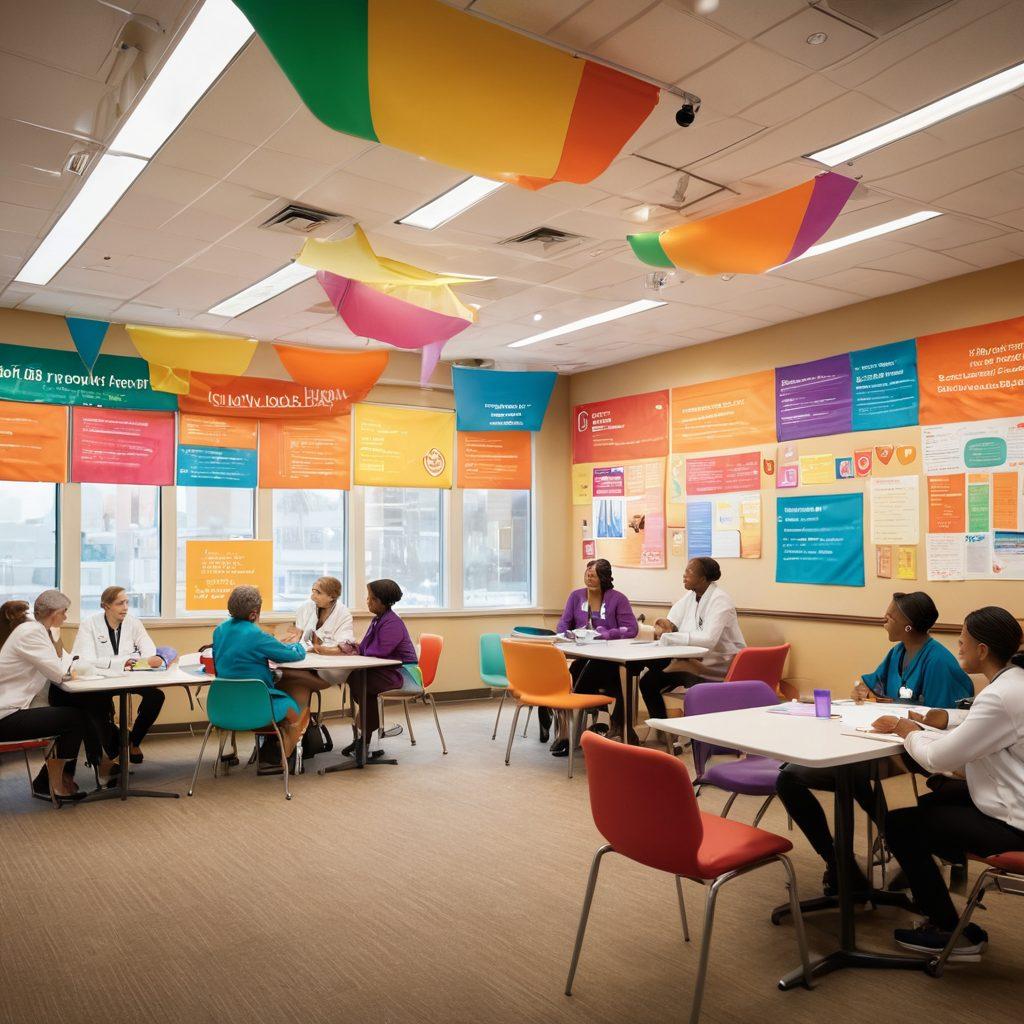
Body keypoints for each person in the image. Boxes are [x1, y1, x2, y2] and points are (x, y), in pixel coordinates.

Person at [776, 592, 974, 896]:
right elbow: (871, 683)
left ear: (908, 625)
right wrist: (861, 689)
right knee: (790, 776)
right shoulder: (898, 653)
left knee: (843, 774)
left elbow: (945, 723)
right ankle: (840, 862)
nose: (884, 619)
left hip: (921, 752)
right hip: (884, 741)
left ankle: (897, 849)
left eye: (891, 616)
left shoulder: (939, 662)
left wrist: (898, 718)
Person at [872, 606, 1024, 960]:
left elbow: (940, 759)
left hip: (1016, 824)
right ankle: (927, 878)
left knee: (901, 824)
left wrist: (907, 731)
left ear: (982, 650)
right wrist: (934, 730)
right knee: (936, 799)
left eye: (962, 642)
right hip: (1010, 798)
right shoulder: (1014, 682)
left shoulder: (1000, 696)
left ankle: (948, 929)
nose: (958, 648)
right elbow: (983, 743)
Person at [0, 598, 93, 803]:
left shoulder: (28, 630)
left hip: (10, 709)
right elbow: (59, 672)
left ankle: (50, 779)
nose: (66, 617)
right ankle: (54, 784)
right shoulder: (32, 632)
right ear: (54, 613)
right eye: (64, 612)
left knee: (76, 710)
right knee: (75, 718)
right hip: (5, 716)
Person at [542, 559, 638, 753]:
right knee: (573, 670)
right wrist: (563, 635)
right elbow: (564, 623)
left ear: (603, 578)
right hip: (583, 655)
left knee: (595, 672)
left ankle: (576, 728)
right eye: (587, 573)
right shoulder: (576, 596)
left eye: (593, 575)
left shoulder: (617, 599)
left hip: (609, 659)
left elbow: (632, 629)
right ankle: (588, 725)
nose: (588, 577)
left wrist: (608, 633)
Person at [639, 557, 745, 722]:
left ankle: (674, 728)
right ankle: (663, 728)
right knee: (648, 680)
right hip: (693, 661)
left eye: (689, 571)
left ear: (702, 578)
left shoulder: (720, 600)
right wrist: (668, 625)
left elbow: (709, 639)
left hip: (718, 666)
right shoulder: (691, 596)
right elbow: (674, 621)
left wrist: (672, 637)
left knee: (652, 671)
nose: (684, 575)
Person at [211, 585, 310, 761]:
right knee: (295, 708)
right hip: (257, 707)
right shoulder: (257, 635)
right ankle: (285, 752)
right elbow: (293, 655)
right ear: (253, 614)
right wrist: (297, 643)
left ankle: (271, 748)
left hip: (224, 706)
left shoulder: (219, 631)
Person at [70, 585, 167, 764]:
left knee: (156, 696)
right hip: (101, 679)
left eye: (127, 603)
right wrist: (124, 661)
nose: (125, 607)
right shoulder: (89, 624)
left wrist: (136, 660)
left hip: (130, 677)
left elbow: (149, 652)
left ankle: (133, 741)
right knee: (96, 705)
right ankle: (114, 754)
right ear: (106, 606)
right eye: (119, 603)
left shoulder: (133, 622)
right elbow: (87, 660)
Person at [342, 579, 418, 757]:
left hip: (403, 674)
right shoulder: (379, 619)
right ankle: (365, 739)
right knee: (356, 679)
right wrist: (353, 648)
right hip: (387, 670)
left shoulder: (392, 623)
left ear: (381, 601)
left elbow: (379, 652)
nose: (367, 601)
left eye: (371, 598)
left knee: (362, 682)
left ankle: (365, 741)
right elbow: (366, 648)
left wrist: (357, 651)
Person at [277, 576, 354, 709]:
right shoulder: (306, 607)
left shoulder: (343, 614)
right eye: (313, 591)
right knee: (285, 675)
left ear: (332, 596)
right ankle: (301, 721)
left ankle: (301, 723)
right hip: (307, 661)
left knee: (287, 676)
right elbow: (299, 636)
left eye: (318, 592)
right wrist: (288, 642)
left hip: (329, 667)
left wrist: (318, 649)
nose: (313, 597)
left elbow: (345, 647)